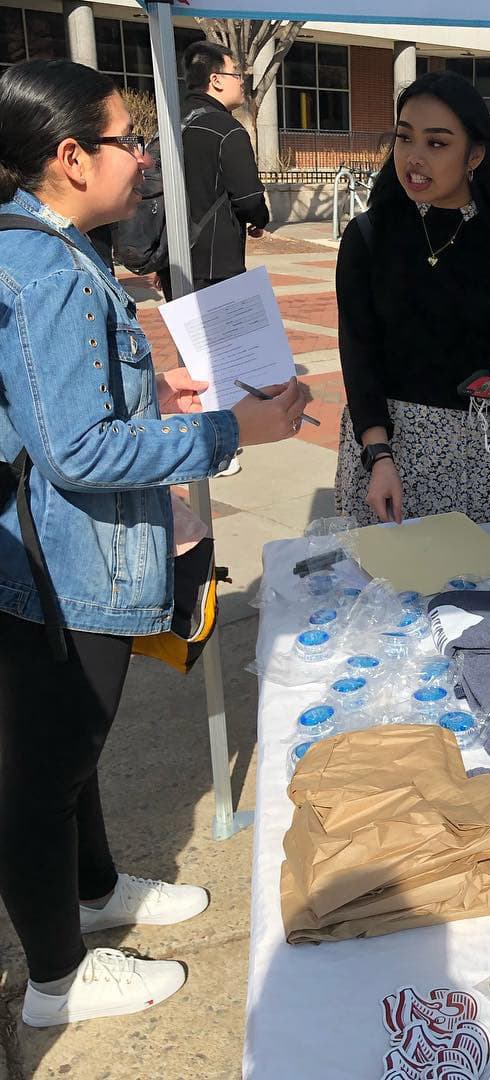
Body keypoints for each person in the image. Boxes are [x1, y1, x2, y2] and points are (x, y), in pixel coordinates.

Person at [0, 59, 309, 1026]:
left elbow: (62, 406)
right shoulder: (46, 270)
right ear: (68, 157)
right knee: (43, 772)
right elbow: (79, 450)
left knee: (72, 751)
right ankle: (56, 979)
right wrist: (228, 432)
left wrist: (154, 395)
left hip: (61, 555)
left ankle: (94, 894)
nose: (144, 157)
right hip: (63, 567)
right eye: (126, 140)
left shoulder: (52, 245)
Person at [334, 72, 490, 526]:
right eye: (403, 138)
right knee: (387, 592)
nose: (414, 158)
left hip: (484, 458)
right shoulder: (368, 237)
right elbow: (359, 358)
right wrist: (377, 454)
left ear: (475, 153)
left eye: (437, 144)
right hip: (387, 458)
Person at [158, 41, 270, 478]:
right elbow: (249, 198)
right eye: (238, 74)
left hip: (173, 256)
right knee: (221, 355)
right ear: (217, 79)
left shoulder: (170, 125)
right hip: (216, 259)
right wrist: (258, 220)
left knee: (190, 352)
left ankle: (199, 436)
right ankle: (219, 446)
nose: (242, 81)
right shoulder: (226, 129)